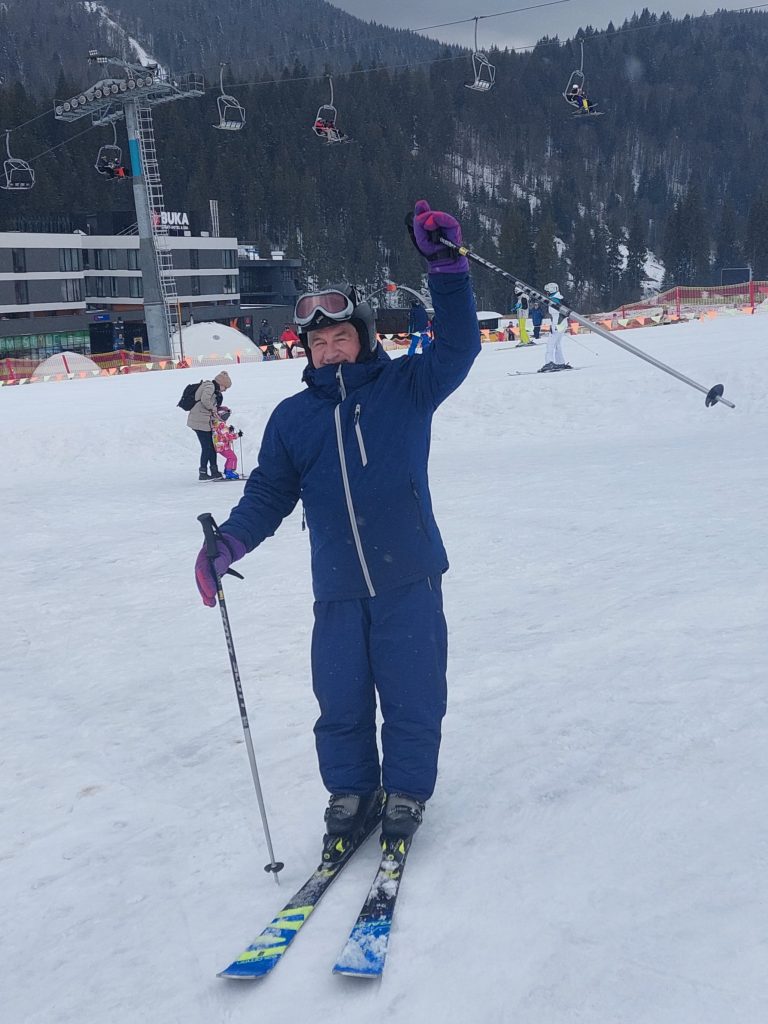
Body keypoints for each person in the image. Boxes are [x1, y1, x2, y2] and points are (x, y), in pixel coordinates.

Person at [194, 200, 481, 859]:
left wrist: (447, 270)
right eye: (318, 344)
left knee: (413, 693)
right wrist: (230, 542)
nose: (329, 350)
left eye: (340, 338)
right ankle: (352, 791)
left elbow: (460, 346)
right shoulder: (294, 418)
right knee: (341, 698)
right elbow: (269, 493)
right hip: (338, 584)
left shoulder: (407, 386)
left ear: (364, 338)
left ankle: (406, 790)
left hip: (409, 575)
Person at [187, 371, 232, 479]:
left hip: (204, 421)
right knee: (207, 447)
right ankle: (203, 473)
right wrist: (213, 408)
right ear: (221, 383)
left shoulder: (214, 391)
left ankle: (214, 471)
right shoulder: (210, 386)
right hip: (199, 421)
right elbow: (205, 400)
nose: (225, 390)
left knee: (211, 447)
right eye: (225, 387)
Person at [539, 283, 572, 372]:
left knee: (550, 344)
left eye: (547, 291)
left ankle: (549, 362)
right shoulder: (560, 298)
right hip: (562, 323)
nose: (546, 293)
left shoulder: (554, 300)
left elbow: (557, 314)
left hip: (558, 323)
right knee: (557, 344)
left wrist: (555, 326)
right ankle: (560, 362)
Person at [212, 406, 244, 480]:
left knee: (230, 458)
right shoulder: (221, 424)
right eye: (225, 416)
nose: (226, 417)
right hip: (223, 446)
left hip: (220, 445)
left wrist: (230, 430)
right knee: (232, 458)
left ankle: (227, 471)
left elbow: (222, 434)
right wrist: (237, 435)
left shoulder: (217, 423)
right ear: (220, 415)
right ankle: (229, 472)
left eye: (227, 416)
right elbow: (227, 436)